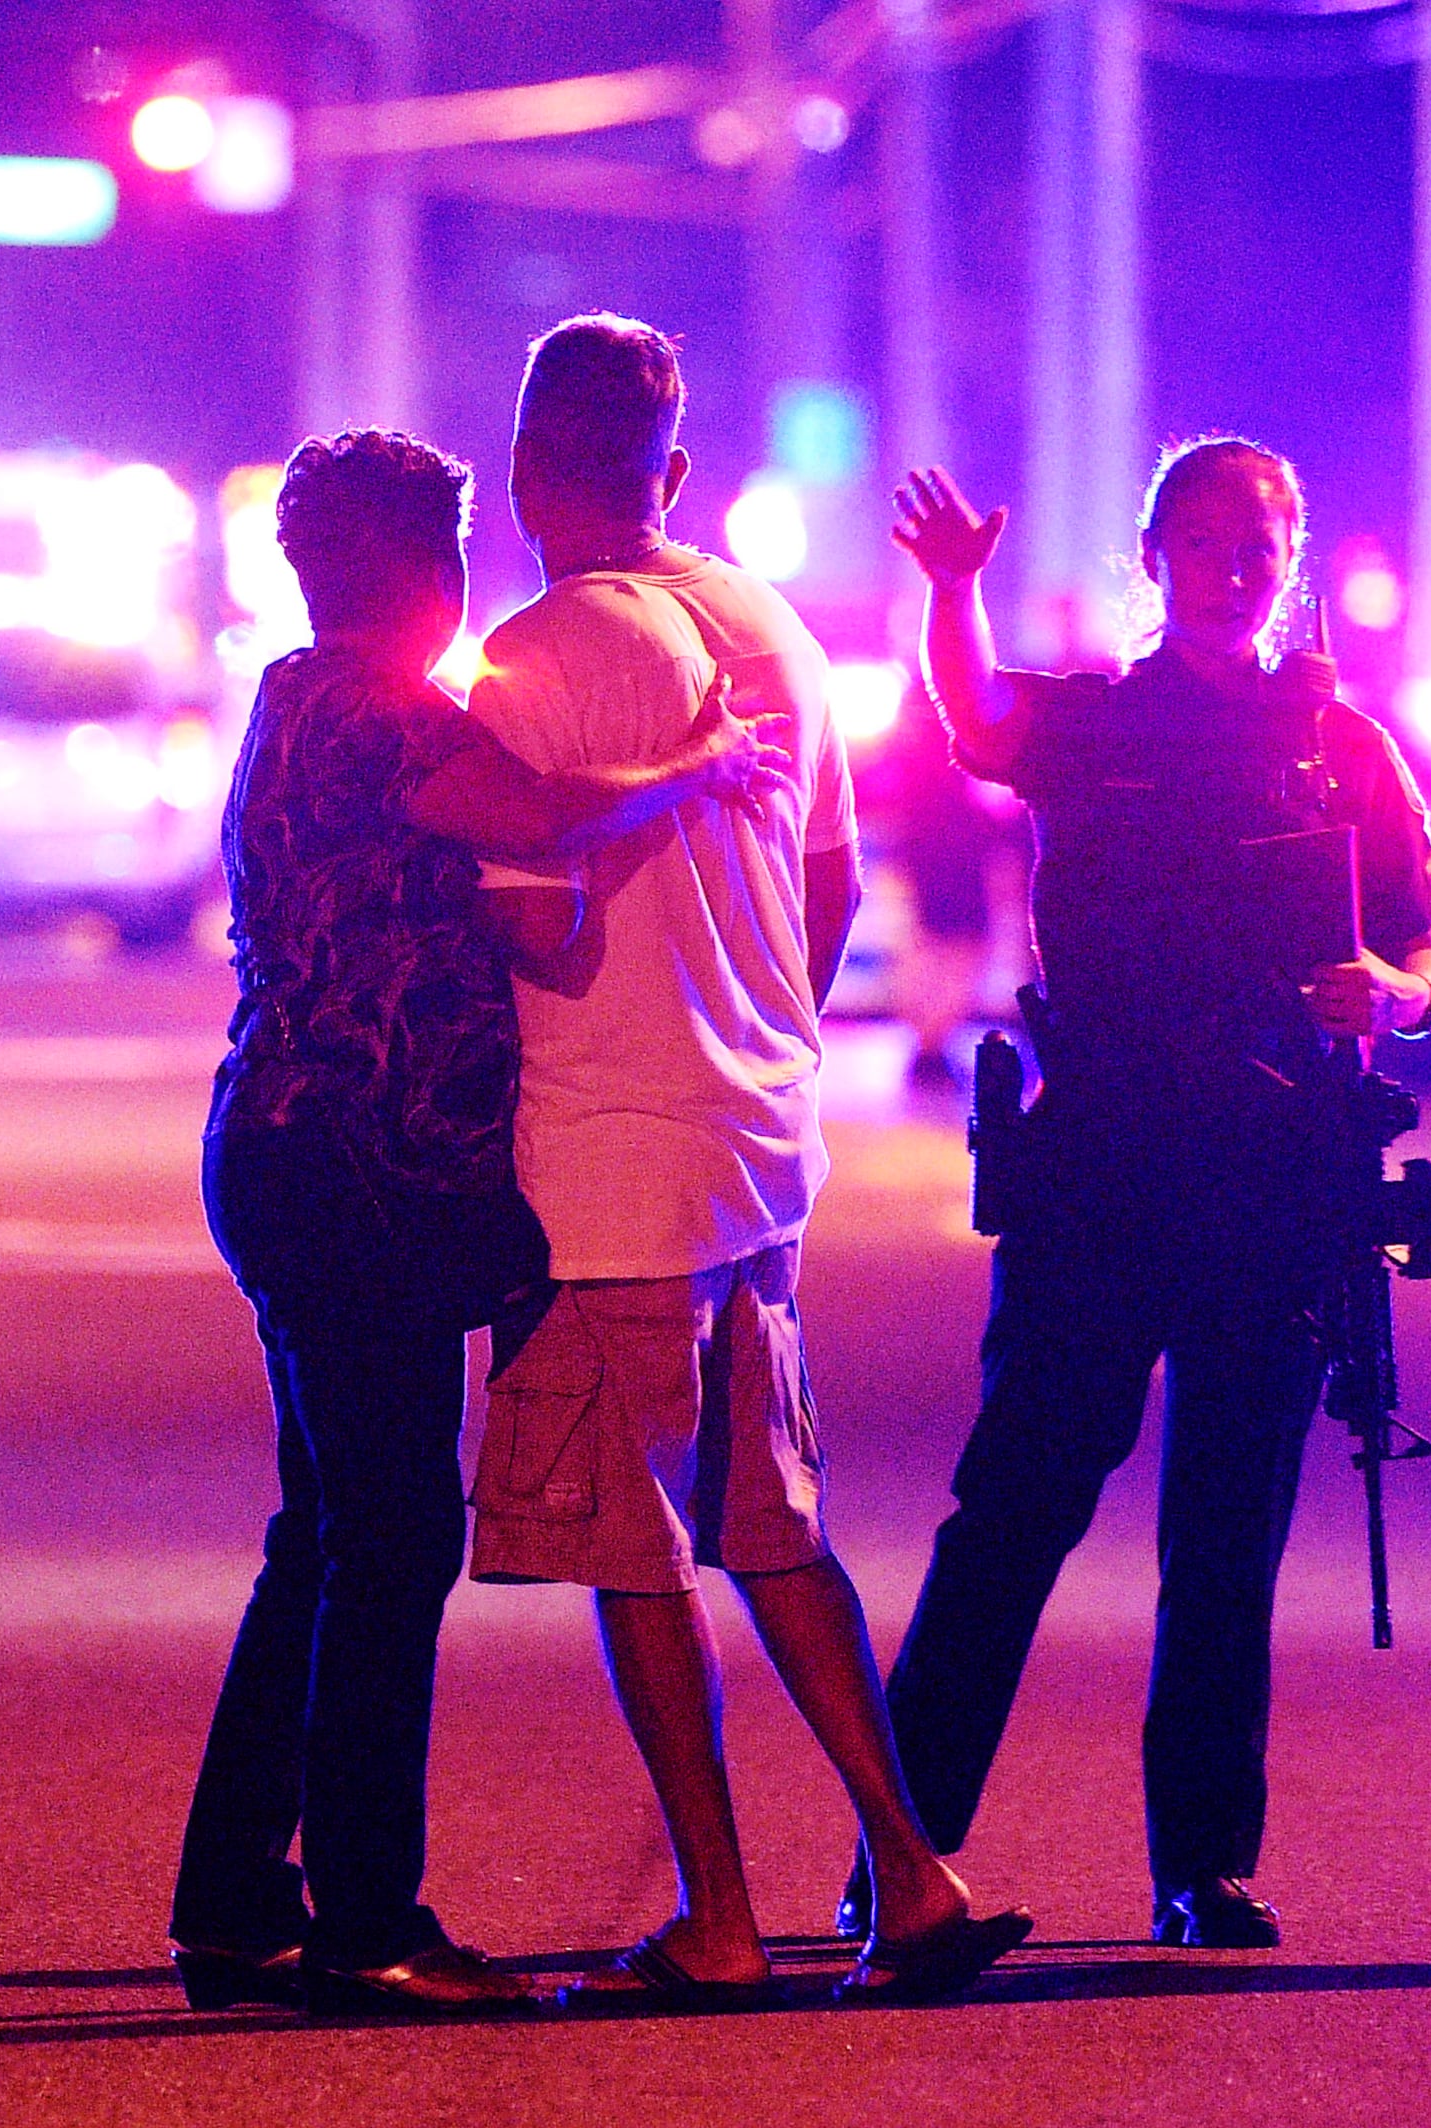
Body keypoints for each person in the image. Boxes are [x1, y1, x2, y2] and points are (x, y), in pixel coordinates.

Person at [171, 428, 789, 2018]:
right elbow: (539, 811)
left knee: (321, 1535)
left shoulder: (291, 694)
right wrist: (704, 767)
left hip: (291, 1156)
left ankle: (237, 1898)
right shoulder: (379, 715)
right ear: (425, 571)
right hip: (354, 1177)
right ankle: (368, 1922)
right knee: (389, 1541)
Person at [459, 314, 1028, 2011]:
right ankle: (910, 1873)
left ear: (521, 473)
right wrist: (754, 1002)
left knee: (635, 1548)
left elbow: (521, 919)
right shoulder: (774, 630)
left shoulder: (533, 656)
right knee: (776, 1521)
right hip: (763, 1143)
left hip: (606, 1155)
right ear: (677, 472)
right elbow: (834, 886)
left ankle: (717, 1915)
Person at [867, 439, 1431, 1951]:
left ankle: (1202, 1867)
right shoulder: (1101, 722)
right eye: (1205, 534)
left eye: (1265, 531)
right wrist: (953, 591)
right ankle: (900, 1850)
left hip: (1275, 1179)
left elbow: (1429, 956)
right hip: (1105, 1166)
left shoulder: (1343, 742)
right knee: (1014, 1508)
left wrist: (1388, 994)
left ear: (1297, 550)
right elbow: (977, 720)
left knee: (1227, 1536)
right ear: (1156, 554)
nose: (1238, 556)